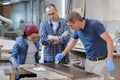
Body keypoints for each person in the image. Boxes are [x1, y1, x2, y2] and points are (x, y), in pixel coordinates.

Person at [55, 11, 115, 79]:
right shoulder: (77, 30)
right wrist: (63, 53)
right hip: (89, 61)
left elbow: (109, 41)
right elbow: (73, 42)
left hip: (100, 62)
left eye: (71, 25)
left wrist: (110, 59)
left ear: (77, 21)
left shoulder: (94, 24)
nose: (70, 28)